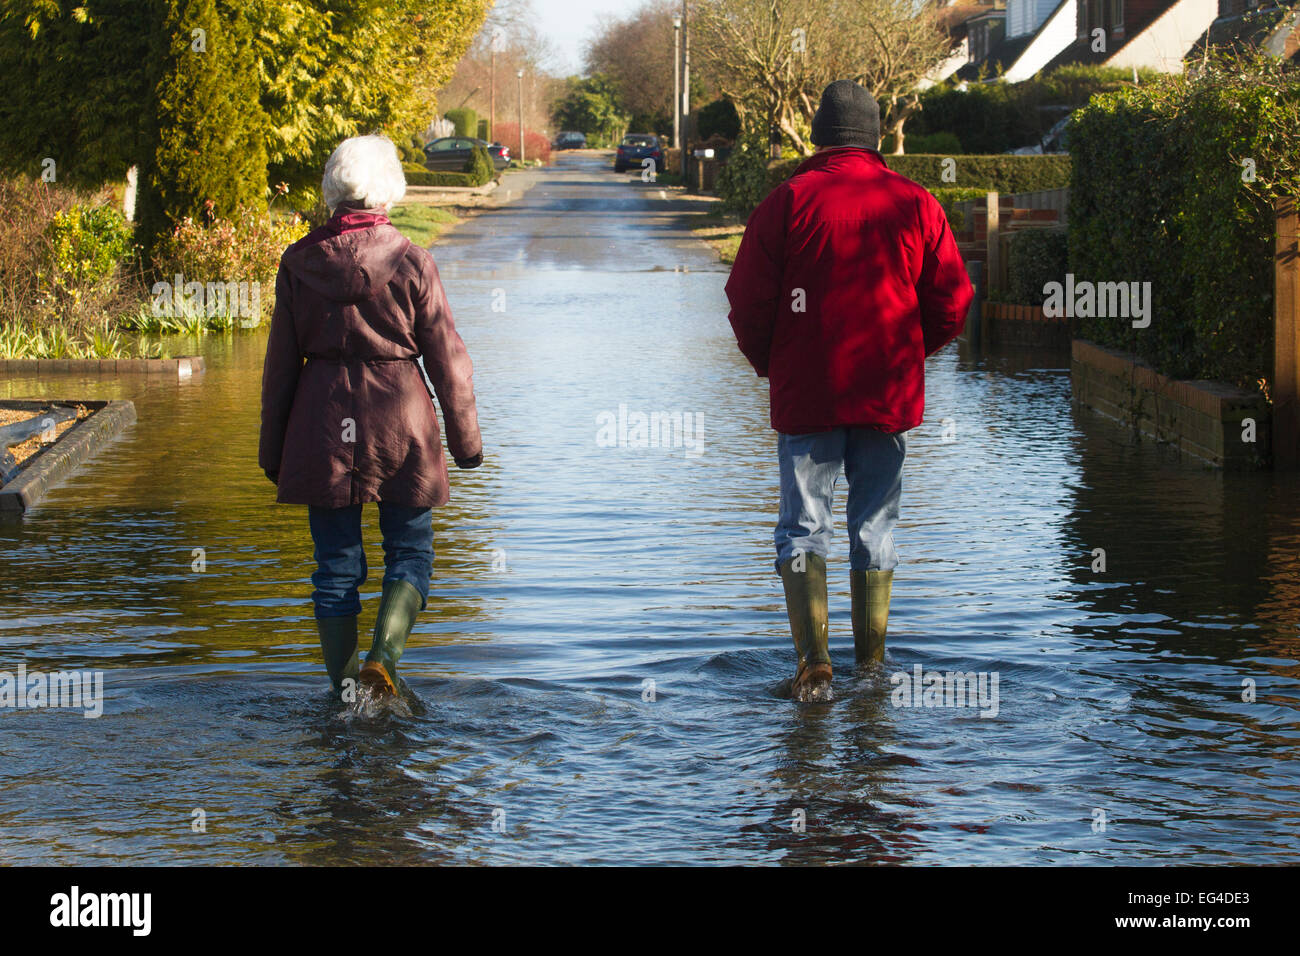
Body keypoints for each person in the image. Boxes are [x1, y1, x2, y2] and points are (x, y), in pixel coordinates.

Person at [725, 80, 973, 701]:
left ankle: (814, 666)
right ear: (878, 136)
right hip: (885, 393)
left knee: (805, 528)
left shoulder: (786, 202)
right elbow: (953, 300)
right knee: (875, 528)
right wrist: (909, 355)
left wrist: (776, 363)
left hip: (808, 394)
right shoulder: (916, 204)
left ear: (817, 137)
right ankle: (872, 669)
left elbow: (747, 301)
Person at [259, 134, 482, 700]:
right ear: (388, 190)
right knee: (410, 550)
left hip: (321, 422)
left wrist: (273, 450)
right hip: (400, 421)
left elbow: (281, 366)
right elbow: (448, 358)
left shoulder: (297, 262)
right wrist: (466, 442)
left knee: (334, 564)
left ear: (334, 187)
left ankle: (342, 692)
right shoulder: (413, 261)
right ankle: (381, 661)